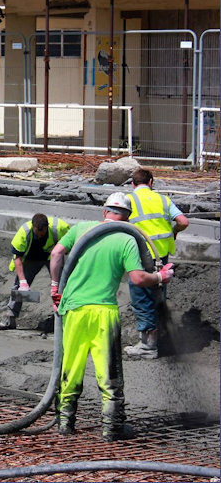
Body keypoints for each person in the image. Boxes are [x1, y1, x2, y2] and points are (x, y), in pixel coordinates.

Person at [49, 192, 175, 442]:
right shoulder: (126, 240)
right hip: (103, 312)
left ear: (105, 212)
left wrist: (55, 287)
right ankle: (111, 429)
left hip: (73, 309)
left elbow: (56, 254)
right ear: (128, 217)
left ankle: (65, 423)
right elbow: (139, 279)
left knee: (70, 367)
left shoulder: (82, 229)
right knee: (109, 373)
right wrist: (161, 277)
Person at [124, 168, 189, 359]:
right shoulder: (163, 200)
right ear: (151, 182)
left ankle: (148, 347)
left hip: (142, 257)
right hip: (162, 257)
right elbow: (183, 221)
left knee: (142, 297)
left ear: (133, 184)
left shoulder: (129, 200)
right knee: (157, 295)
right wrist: (174, 231)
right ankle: (160, 336)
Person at [0, 214, 70, 330]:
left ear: (47, 227)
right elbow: (17, 257)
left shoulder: (60, 228)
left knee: (62, 286)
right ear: (33, 226)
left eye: (43, 234)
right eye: (37, 233)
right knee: (19, 288)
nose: (40, 235)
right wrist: (23, 281)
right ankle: (10, 319)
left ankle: (63, 320)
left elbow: (72, 244)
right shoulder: (24, 232)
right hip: (30, 259)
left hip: (52, 258)